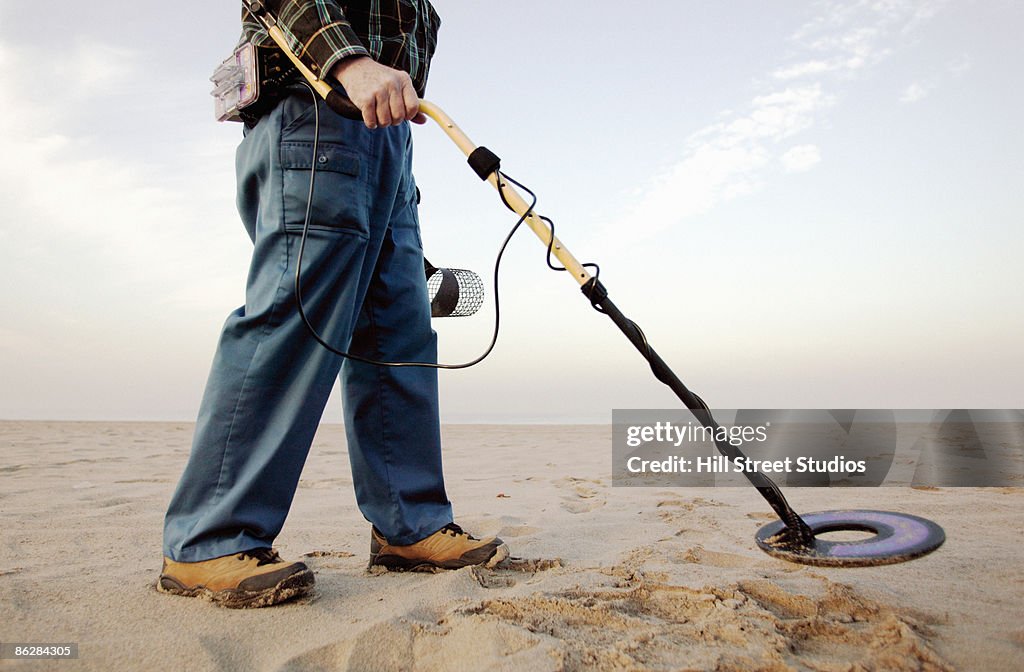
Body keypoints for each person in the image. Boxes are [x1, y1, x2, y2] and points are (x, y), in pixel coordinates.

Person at [158, 0, 507, 608]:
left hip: (388, 140)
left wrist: (396, 174)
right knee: (294, 318)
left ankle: (410, 525)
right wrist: (349, 60)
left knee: (399, 332)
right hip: (320, 109)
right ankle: (208, 539)